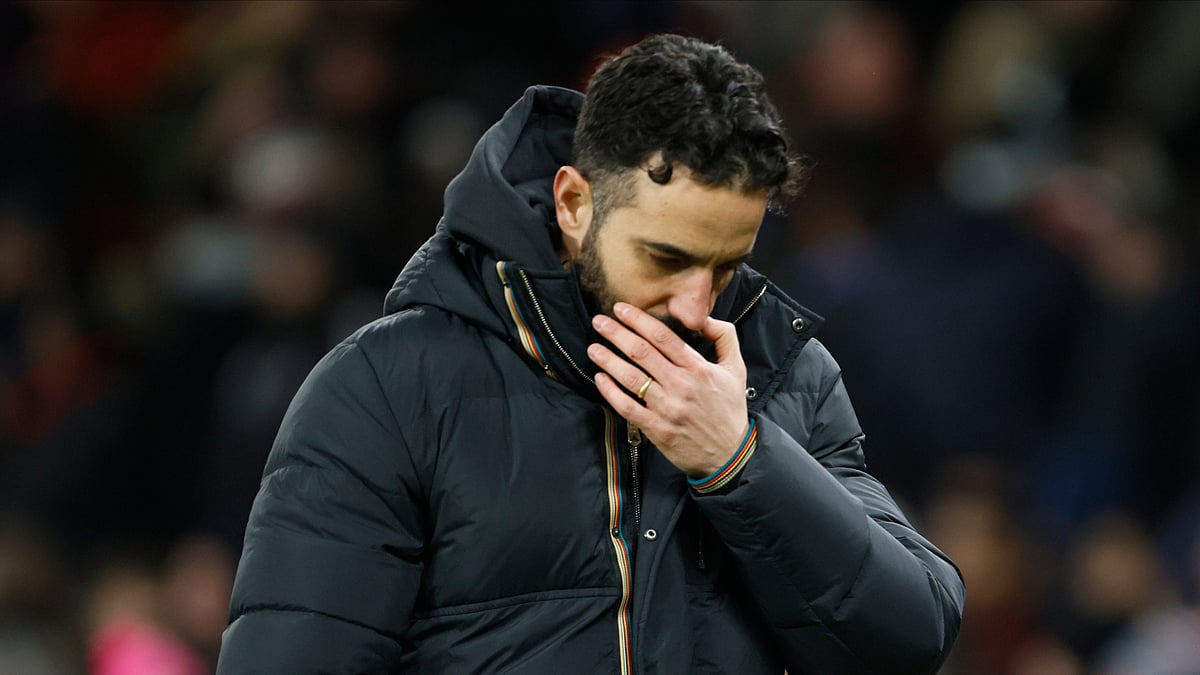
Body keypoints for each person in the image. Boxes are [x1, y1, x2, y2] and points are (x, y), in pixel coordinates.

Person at [216, 34, 964, 674]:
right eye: (665, 257)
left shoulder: (784, 371)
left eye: (727, 265)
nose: (696, 306)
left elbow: (909, 637)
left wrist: (741, 462)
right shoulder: (387, 387)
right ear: (574, 204)